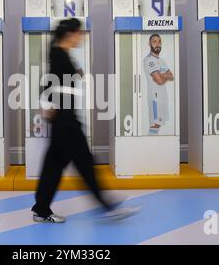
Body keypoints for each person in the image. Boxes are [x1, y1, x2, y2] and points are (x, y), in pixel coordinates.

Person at [31, 18, 141, 223]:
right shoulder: (58, 55)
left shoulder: (61, 54)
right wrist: (48, 104)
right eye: (79, 33)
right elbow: (50, 82)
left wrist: (50, 101)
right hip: (66, 121)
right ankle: (107, 207)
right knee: (85, 164)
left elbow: (54, 81)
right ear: (70, 34)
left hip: (63, 119)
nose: (81, 37)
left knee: (53, 166)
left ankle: (41, 208)